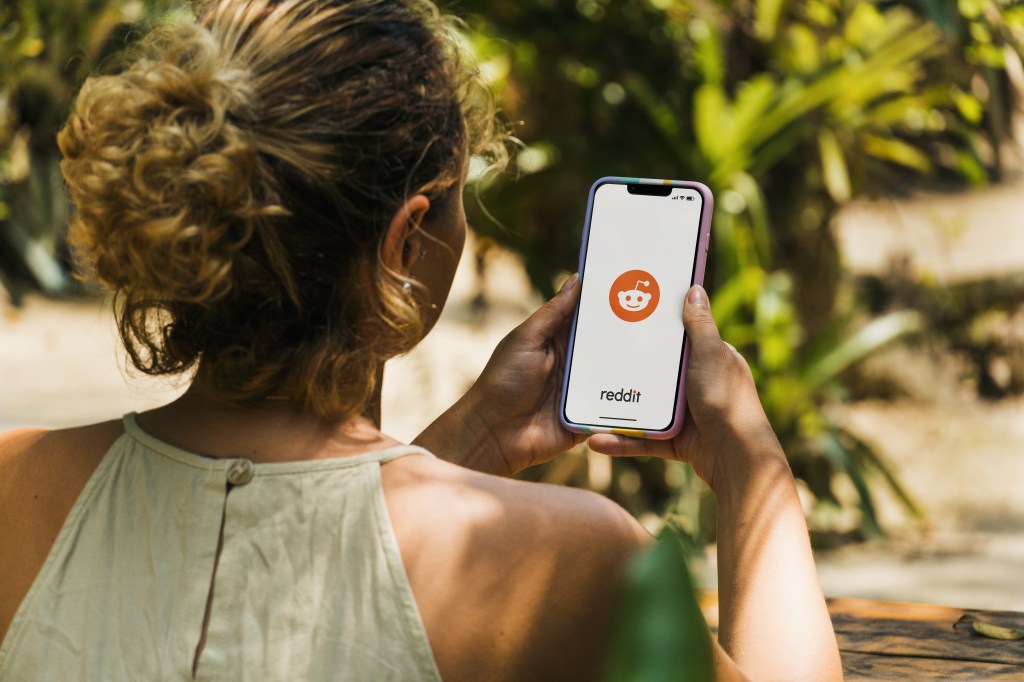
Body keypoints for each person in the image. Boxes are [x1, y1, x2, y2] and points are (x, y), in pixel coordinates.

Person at [0, 0, 843, 679]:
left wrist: (470, 440)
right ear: (406, 243)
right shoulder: (571, 561)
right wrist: (748, 464)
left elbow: (306, 571)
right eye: (461, 199)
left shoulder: (15, 487)